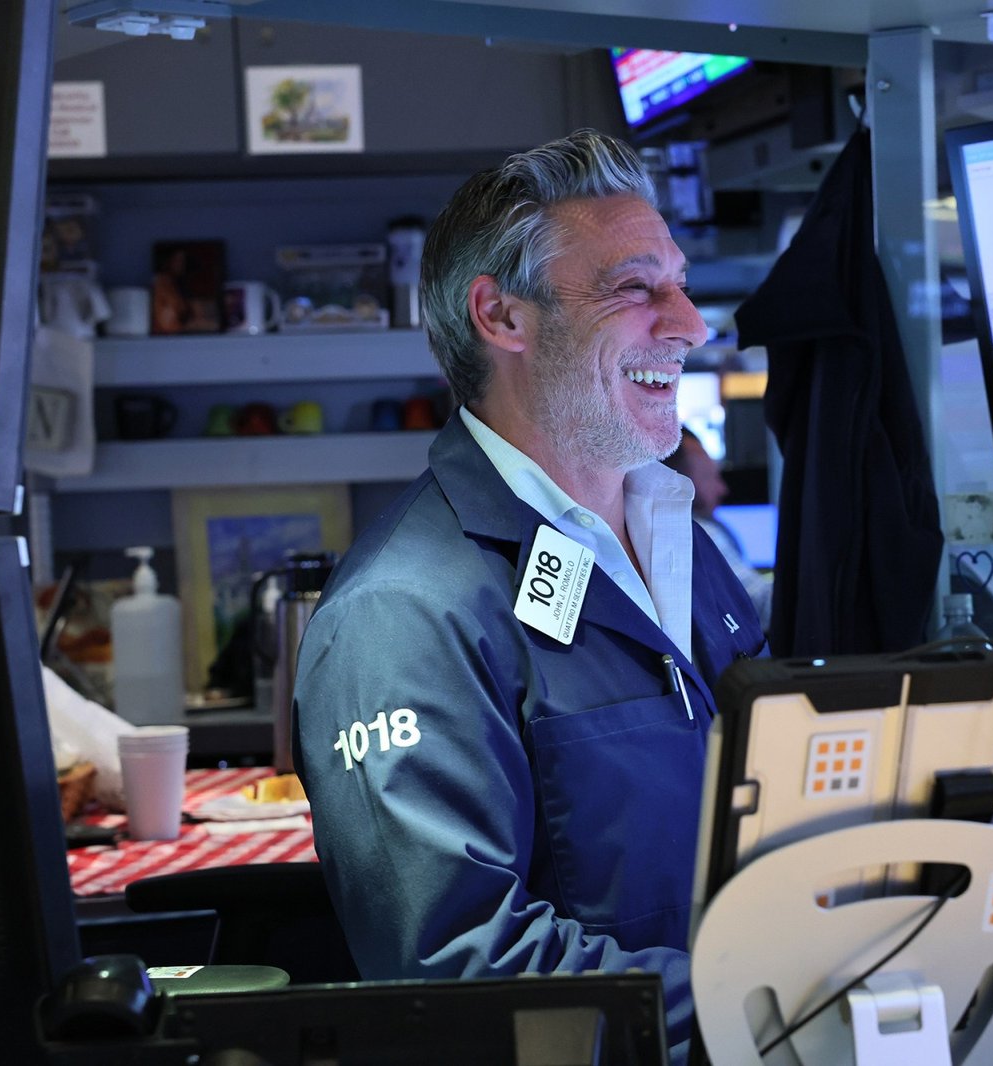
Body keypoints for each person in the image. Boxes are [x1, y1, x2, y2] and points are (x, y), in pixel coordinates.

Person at [292, 129, 767, 1059]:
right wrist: (759, 1000)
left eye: (678, 283)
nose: (689, 324)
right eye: (636, 288)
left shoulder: (686, 545)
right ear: (501, 317)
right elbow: (455, 965)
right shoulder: (402, 614)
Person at [663, 427, 773, 630]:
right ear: (677, 478)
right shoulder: (697, 531)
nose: (723, 489)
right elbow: (757, 604)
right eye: (710, 476)